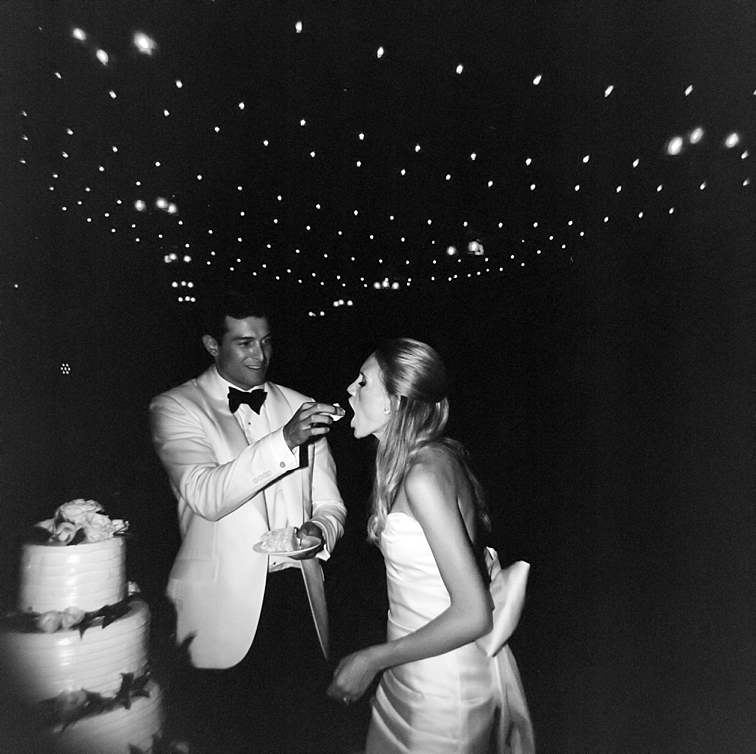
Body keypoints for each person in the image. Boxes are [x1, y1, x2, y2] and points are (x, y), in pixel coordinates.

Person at [150, 290, 347, 754]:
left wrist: (320, 532)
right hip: (221, 609)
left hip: (298, 598)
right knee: (224, 736)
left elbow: (332, 504)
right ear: (212, 345)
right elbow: (206, 494)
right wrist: (284, 440)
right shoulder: (175, 407)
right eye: (244, 342)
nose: (260, 355)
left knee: (300, 734)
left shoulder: (300, 403)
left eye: (266, 341)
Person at [328, 337, 535, 754]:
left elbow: (474, 614)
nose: (350, 390)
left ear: (393, 402)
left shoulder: (424, 475)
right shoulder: (432, 455)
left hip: (440, 689)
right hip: (410, 670)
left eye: (363, 382)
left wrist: (371, 659)